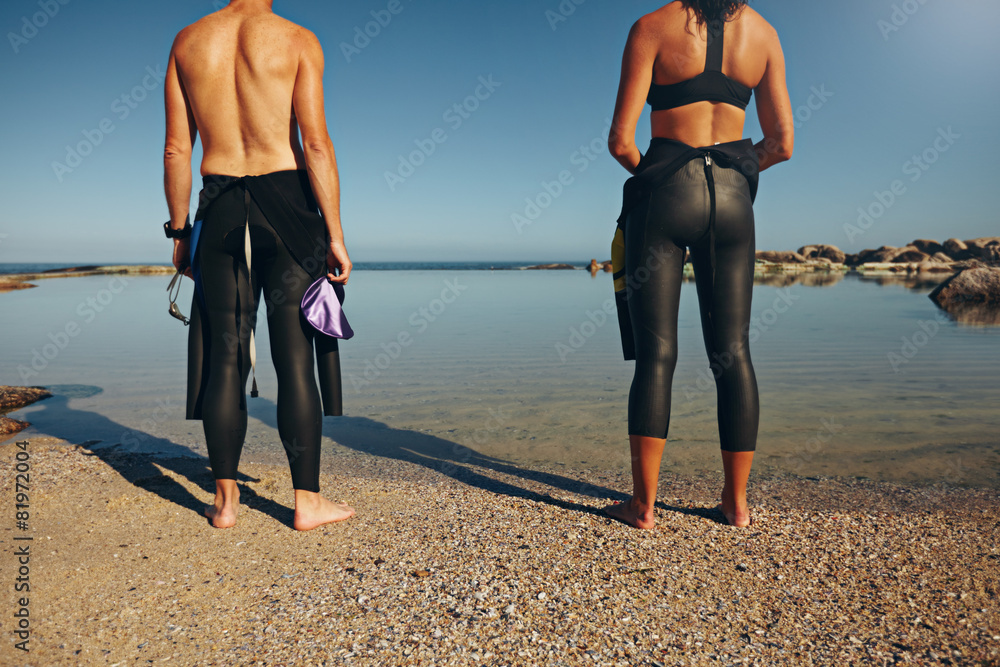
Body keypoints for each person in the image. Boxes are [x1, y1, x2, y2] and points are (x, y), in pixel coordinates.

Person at [162, 0, 355, 530]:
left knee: (225, 355)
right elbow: (315, 142)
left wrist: (180, 233)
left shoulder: (188, 40)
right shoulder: (298, 39)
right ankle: (307, 502)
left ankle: (225, 504)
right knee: (294, 358)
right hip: (288, 212)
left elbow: (177, 150)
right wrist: (335, 235)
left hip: (219, 207)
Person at [605, 0, 793, 528]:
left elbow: (621, 142)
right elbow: (782, 144)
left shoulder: (650, 27)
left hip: (666, 190)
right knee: (733, 352)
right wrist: (734, 167)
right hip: (733, 200)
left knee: (656, 353)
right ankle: (736, 506)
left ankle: (643, 507)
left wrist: (661, 176)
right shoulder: (765, 33)